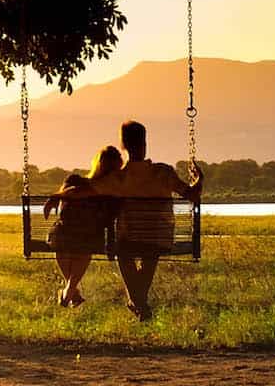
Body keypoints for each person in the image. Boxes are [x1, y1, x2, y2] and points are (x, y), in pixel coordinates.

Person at [74, 119, 204, 320]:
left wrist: (58, 196)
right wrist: (199, 180)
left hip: (128, 241)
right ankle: (139, 303)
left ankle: (138, 303)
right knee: (149, 252)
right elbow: (193, 195)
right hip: (159, 240)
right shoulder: (164, 173)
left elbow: (84, 191)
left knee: (123, 253)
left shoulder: (118, 178)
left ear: (123, 146)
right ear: (145, 143)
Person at [41, 146, 122, 306]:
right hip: (85, 237)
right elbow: (110, 221)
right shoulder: (110, 191)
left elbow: (65, 198)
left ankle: (69, 292)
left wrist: (56, 196)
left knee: (67, 245)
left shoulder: (75, 181)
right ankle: (70, 292)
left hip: (65, 235)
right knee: (82, 248)